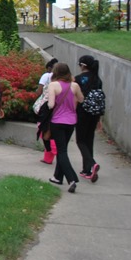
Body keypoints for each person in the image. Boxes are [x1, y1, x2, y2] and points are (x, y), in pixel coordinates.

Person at [47, 63, 84, 193]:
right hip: (71, 121)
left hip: (57, 121)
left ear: (55, 72)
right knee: (63, 148)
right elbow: (81, 99)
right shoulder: (74, 86)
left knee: (61, 151)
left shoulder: (53, 85)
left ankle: (72, 179)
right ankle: (57, 177)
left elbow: (51, 105)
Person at [75, 55, 103, 182]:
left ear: (83, 65)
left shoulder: (78, 79)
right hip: (94, 114)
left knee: (80, 140)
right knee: (89, 140)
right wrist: (99, 120)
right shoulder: (97, 80)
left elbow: (76, 98)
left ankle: (91, 164)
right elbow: (99, 100)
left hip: (82, 113)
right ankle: (87, 170)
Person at [37, 58, 58, 164]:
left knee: (43, 131)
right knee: (51, 132)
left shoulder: (46, 76)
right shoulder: (65, 81)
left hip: (46, 108)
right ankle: (48, 158)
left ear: (50, 68)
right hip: (59, 110)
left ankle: (53, 150)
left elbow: (39, 91)